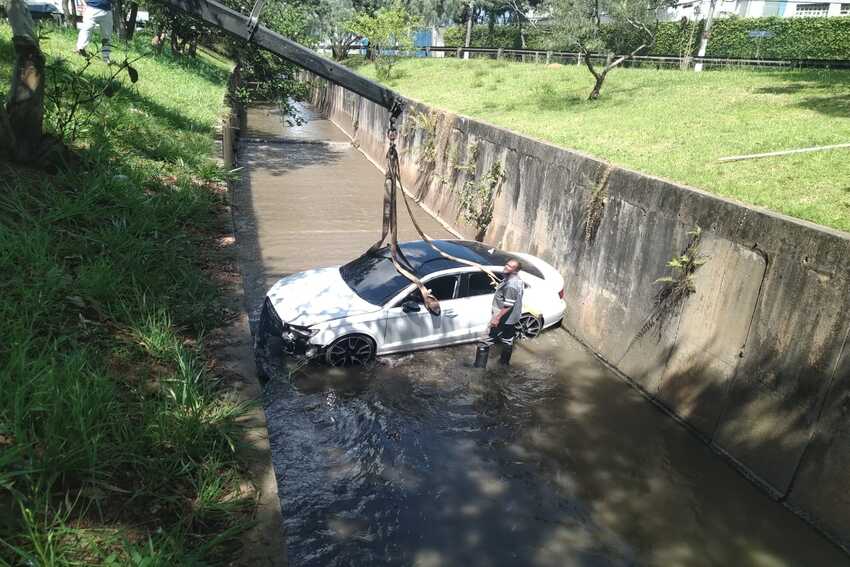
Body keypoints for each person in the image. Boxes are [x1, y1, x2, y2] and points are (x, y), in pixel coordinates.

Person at [474, 258, 524, 368]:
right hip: (512, 319)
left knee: (484, 341)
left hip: (503, 318)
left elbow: (508, 305)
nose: (506, 267)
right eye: (507, 264)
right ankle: (504, 365)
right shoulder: (517, 280)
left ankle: (478, 369)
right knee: (508, 340)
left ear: (515, 271)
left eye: (510, 267)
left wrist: (497, 318)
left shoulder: (511, 285)